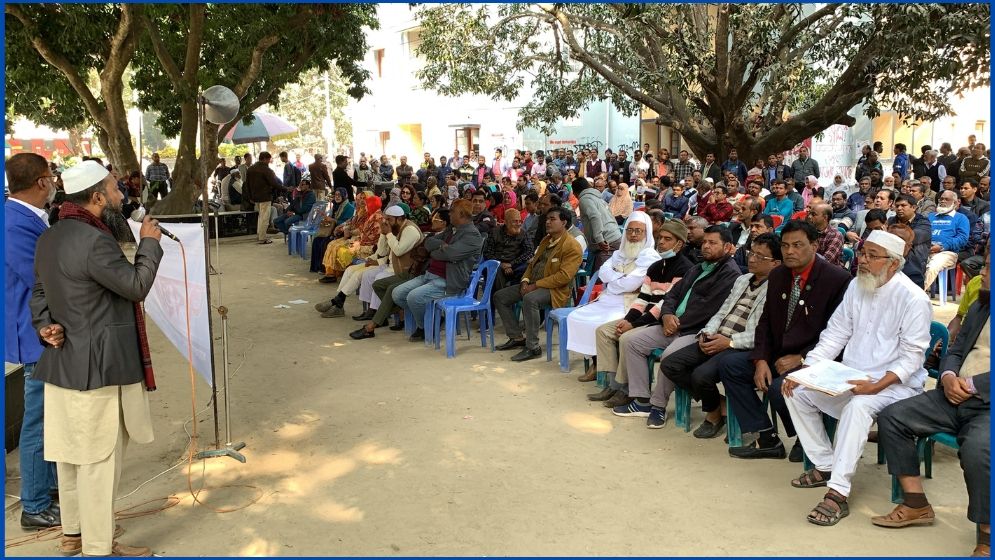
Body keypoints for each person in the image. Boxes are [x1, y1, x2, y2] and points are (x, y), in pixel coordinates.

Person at [31, 160, 161, 556]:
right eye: (115, 188)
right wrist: (150, 243)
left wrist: (45, 324)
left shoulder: (51, 236)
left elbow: (39, 292)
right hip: (98, 368)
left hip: (62, 362)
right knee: (99, 463)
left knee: (71, 458)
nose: (122, 195)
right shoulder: (95, 240)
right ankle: (99, 547)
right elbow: (136, 286)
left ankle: (73, 534)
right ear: (96, 196)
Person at [781, 230, 930, 527]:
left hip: (896, 385)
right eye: (863, 253)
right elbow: (835, 334)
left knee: (858, 406)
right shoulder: (856, 286)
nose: (863, 260)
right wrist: (806, 372)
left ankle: (837, 493)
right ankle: (825, 465)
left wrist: (876, 385)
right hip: (851, 376)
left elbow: (912, 357)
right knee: (794, 390)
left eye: (872, 256)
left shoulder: (913, 299)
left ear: (894, 263)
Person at [873, 249, 989, 556]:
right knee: (892, 416)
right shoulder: (981, 304)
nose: (982, 273)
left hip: (987, 405)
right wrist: (949, 374)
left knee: (978, 451)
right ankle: (915, 504)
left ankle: (987, 535)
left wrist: (973, 384)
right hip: (953, 394)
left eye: (989, 268)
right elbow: (957, 346)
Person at [724, 220, 852, 461]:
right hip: (778, 354)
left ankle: (807, 437)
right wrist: (761, 359)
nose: (790, 251)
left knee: (779, 388)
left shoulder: (837, 279)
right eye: (785, 246)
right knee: (730, 366)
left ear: (814, 245)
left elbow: (838, 334)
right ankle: (767, 436)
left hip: (814, 358)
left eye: (798, 245)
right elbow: (765, 322)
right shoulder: (779, 274)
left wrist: (803, 358)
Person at [612, 226, 741, 426]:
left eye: (712, 243)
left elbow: (710, 309)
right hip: (672, 324)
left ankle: (658, 406)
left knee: (669, 357)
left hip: (695, 330)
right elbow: (671, 294)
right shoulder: (698, 267)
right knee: (630, 340)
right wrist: (667, 315)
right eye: (705, 241)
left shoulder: (730, 274)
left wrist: (677, 324)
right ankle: (642, 399)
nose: (706, 246)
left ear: (727, 247)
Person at [661, 233, 781, 436]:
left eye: (761, 257)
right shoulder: (743, 280)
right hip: (718, 336)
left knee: (701, 376)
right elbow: (723, 311)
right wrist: (707, 332)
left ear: (776, 263)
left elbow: (766, 333)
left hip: (739, 346)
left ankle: (713, 415)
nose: (752, 259)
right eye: (752, 253)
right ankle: (718, 404)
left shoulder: (777, 288)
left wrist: (730, 342)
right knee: (671, 365)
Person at [5, 153, 61, 531]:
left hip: (40, 331)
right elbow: (41, 281)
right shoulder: (14, 224)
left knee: (50, 417)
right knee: (38, 421)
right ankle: (36, 505)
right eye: (51, 175)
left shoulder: (28, 219)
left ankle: (50, 488)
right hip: (34, 334)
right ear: (41, 182)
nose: (55, 181)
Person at [585, 220, 693, 401]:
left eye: (667, 239)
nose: (661, 243)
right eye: (660, 238)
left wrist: (633, 324)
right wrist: (628, 320)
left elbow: (664, 305)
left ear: (679, 244)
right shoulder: (656, 266)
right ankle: (614, 385)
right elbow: (642, 299)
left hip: (659, 321)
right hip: (644, 317)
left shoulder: (685, 268)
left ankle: (626, 390)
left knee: (627, 337)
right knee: (603, 331)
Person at [566, 213, 659, 367]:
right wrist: (621, 278)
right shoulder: (619, 253)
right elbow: (603, 273)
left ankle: (601, 367)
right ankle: (595, 362)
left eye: (638, 231)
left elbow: (630, 285)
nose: (633, 235)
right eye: (629, 230)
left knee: (601, 325)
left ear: (647, 233)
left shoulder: (651, 257)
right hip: (607, 299)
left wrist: (614, 279)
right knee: (576, 317)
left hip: (630, 303)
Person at [494, 206, 583, 361]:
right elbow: (532, 264)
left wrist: (535, 286)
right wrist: (525, 281)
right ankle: (516, 337)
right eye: (547, 219)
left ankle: (533, 346)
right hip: (533, 284)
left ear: (564, 222)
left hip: (555, 290)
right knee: (500, 297)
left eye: (552, 219)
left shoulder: (572, 246)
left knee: (530, 299)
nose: (547, 222)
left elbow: (563, 277)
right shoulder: (546, 240)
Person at [389, 199, 484, 341]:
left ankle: (425, 327)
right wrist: (442, 246)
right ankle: (434, 319)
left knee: (413, 297)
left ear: (462, 214)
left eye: (452, 211)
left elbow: (451, 254)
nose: (449, 214)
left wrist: (436, 252)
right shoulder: (452, 229)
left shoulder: (472, 235)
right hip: (429, 275)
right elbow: (429, 242)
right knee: (397, 294)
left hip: (448, 281)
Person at [316, 203, 421, 318]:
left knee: (374, 277)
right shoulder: (394, 228)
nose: (386, 222)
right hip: (388, 264)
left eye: (389, 220)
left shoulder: (410, 230)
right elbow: (381, 252)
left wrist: (388, 233)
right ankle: (343, 303)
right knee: (356, 272)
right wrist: (383, 234)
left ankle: (369, 311)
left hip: (403, 270)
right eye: (385, 219)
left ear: (399, 219)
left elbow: (398, 251)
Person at [319, 192, 383, 282]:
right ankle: (331, 273)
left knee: (338, 247)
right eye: (359, 198)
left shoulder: (371, 215)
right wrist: (342, 227)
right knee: (331, 244)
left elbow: (363, 231)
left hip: (360, 240)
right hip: (354, 237)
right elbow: (351, 221)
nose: (361, 201)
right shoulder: (360, 211)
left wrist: (350, 233)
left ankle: (338, 274)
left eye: (364, 199)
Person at [925, 189, 971, 291]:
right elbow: (923, 232)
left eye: (947, 199)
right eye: (941, 199)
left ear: (954, 203)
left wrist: (942, 247)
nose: (942, 201)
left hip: (947, 252)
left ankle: (918, 293)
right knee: (911, 263)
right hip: (926, 249)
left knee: (932, 266)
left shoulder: (961, 218)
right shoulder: (931, 216)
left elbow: (962, 239)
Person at [575, 176, 623, 270]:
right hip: (615, 237)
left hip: (606, 242)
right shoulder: (597, 197)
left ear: (575, 192)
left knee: (601, 278)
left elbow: (595, 216)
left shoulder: (584, 199)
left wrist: (599, 239)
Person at [482, 208, 534, 291]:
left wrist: (511, 264)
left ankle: (509, 297)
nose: (518, 224)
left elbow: (530, 252)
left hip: (515, 266)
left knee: (526, 269)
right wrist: (501, 264)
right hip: (496, 264)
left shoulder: (523, 234)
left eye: (520, 221)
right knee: (496, 271)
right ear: (505, 222)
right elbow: (487, 252)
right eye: (514, 221)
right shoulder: (495, 232)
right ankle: (498, 299)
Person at [887, 194, 931, 287]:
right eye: (897, 205)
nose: (899, 208)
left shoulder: (923, 222)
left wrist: (890, 236)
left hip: (915, 260)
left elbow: (910, 238)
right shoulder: (891, 220)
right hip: (891, 257)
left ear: (914, 207)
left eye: (903, 205)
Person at [245, 151, 284, 245]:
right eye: (269, 160)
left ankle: (260, 235)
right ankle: (262, 238)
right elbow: (274, 183)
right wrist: (286, 188)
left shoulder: (250, 169)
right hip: (265, 196)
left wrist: (250, 196)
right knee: (265, 218)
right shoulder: (266, 169)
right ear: (265, 159)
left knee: (260, 217)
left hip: (255, 197)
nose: (269, 162)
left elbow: (247, 184)